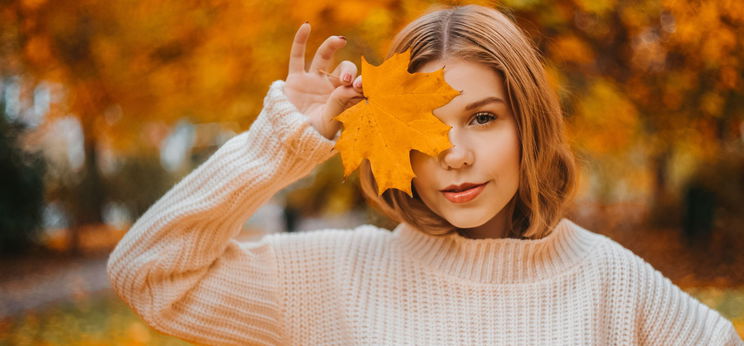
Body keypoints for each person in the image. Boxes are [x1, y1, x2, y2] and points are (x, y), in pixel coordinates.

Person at [106, 4, 743, 345]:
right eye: (425, 129)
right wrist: (281, 145)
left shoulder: (608, 281)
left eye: (484, 118)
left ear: (530, 124)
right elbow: (148, 275)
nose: (453, 154)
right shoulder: (332, 279)